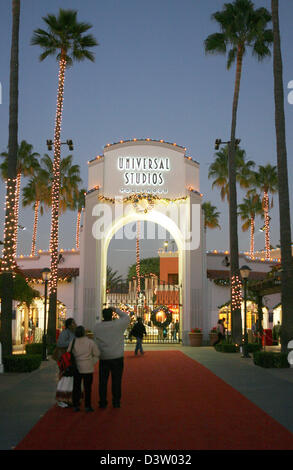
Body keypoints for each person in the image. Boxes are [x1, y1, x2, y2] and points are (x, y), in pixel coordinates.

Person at [94, 307, 130, 409]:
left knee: (103, 381)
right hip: (117, 356)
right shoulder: (118, 325)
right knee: (117, 380)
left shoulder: (97, 327)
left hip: (104, 357)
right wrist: (116, 309)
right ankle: (116, 401)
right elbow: (126, 317)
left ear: (103, 316)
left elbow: (95, 341)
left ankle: (102, 402)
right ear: (112, 315)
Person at [68, 325, 100, 413]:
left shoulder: (73, 342)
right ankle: (87, 405)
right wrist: (92, 362)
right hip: (88, 367)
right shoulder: (90, 342)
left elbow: (68, 353)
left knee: (76, 386)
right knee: (88, 387)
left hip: (76, 367)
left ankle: (76, 404)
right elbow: (97, 353)